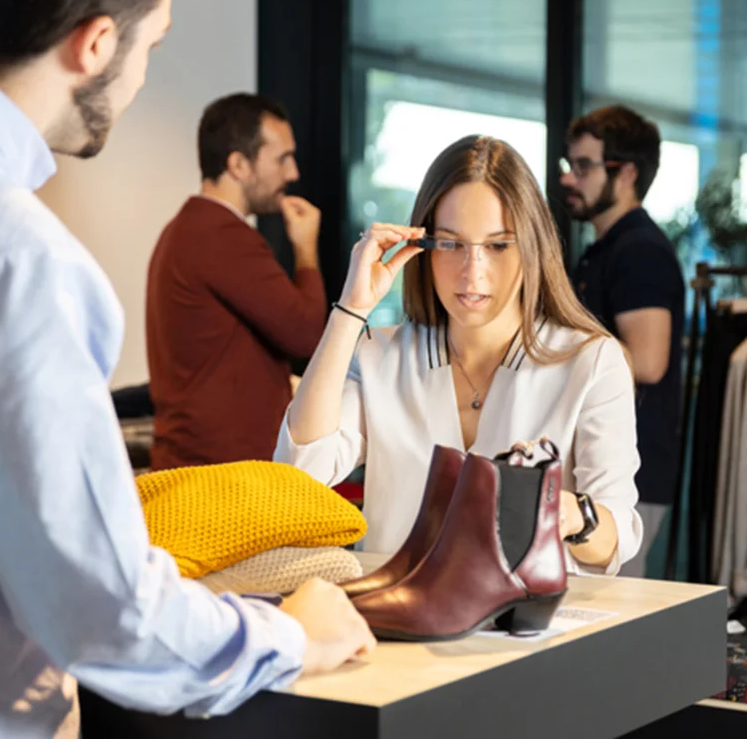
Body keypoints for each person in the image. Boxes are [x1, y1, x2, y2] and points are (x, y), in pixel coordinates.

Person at [0, 0, 372, 736]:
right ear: (97, 44)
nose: (145, 75)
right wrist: (292, 638)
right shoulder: (14, 258)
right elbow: (101, 609)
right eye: (152, 45)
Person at [275, 135, 643, 574]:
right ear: (424, 249)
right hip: (395, 628)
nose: (473, 272)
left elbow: (615, 540)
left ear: (533, 247)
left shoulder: (591, 362)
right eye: (450, 244)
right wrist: (350, 309)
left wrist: (568, 514)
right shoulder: (379, 355)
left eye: (498, 245)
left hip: (530, 631)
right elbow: (301, 470)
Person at [147, 93, 326, 470]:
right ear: (239, 164)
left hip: (201, 471)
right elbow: (307, 333)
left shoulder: (187, 229)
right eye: (282, 159)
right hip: (222, 482)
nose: (292, 173)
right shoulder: (221, 236)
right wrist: (306, 249)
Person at [561, 105, 685, 579]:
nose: (571, 179)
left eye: (585, 166)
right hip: (604, 465)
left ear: (627, 172)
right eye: (571, 166)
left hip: (631, 474)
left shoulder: (640, 252)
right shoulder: (606, 251)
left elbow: (648, 362)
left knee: (609, 614)